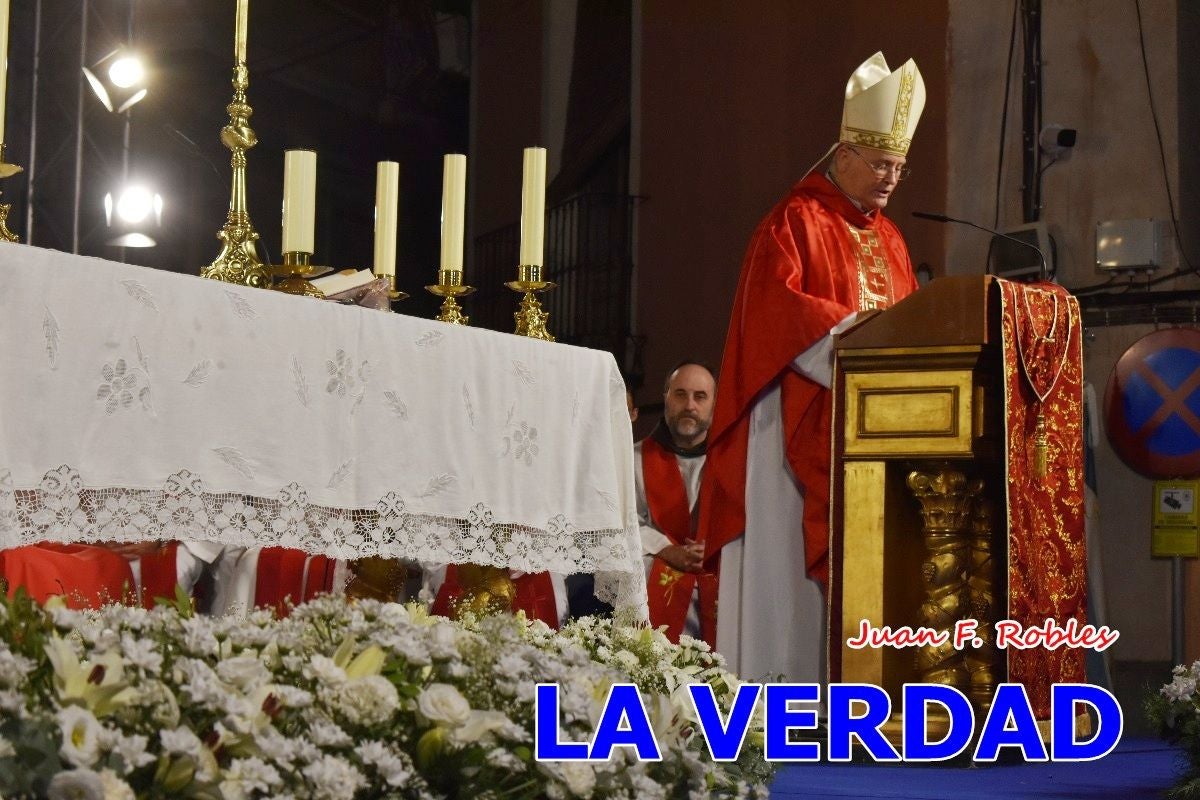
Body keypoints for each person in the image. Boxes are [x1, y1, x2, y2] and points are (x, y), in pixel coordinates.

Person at [699, 52, 927, 683]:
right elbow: (779, 314)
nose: (890, 179)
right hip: (793, 425)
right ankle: (777, 705)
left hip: (870, 434)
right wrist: (864, 340)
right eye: (880, 164)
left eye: (899, 167)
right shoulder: (795, 220)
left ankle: (853, 698)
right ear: (844, 154)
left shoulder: (891, 238)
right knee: (786, 577)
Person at [636, 361, 717, 643]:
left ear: (714, 404)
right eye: (680, 394)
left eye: (700, 396)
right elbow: (623, 522)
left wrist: (716, 548)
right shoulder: (633, 459)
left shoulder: (735, 464)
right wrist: (667, 549)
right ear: (666, 398)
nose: (690, 405)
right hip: (653, 574)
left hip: (717, 576)